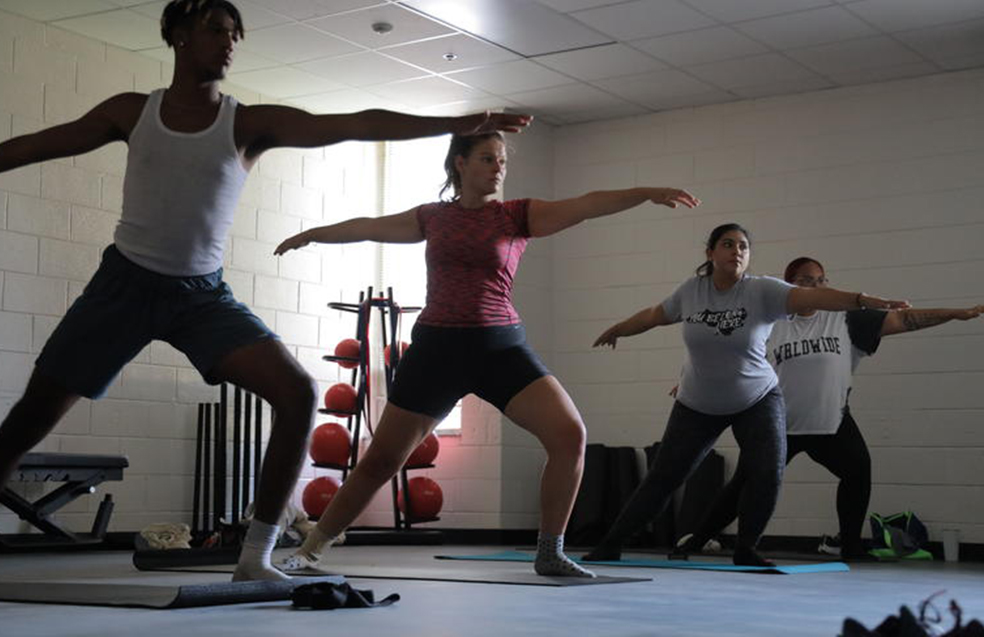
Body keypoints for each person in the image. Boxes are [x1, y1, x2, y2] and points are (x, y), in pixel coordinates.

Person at [0, 0, 532, 583]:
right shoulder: (130, 110)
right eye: (217, 30)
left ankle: (256, 557)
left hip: (201, 297)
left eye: (235, 35)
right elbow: (40, 144)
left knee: (296, 393)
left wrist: (456, 123)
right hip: (123, 286)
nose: (228, 44)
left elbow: (350, 124)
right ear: (180, 36)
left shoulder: (247, 124)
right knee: (30, 417)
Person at [272, 131, 700, 577]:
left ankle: (550, 551)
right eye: (487, 159)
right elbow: (368, 226)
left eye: (501, 161)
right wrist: (315, 234)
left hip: (500, 348)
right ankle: (312, 549)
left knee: (570, 435)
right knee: (382, 459)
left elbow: (588, 203)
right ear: (460, 163)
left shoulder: (517, 216)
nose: (498, 168)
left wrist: (647, 193)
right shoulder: (432, 218)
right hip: (438, 349)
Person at [582, 224, 910, 566]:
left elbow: (814, 297)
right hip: (698, 403)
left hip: (757, 399)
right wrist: (619, 329)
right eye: (727, 244)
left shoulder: (763, 291)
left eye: (743, 246)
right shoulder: (691, 291)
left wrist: (860, 301)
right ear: (710, 253)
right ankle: (612, 544)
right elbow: (655, 315)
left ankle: (746, 549)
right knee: (666, 475)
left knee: (766, 472)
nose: (736, 251)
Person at [672, 256, 983, 561]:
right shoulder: (769, 321)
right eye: (806, 281)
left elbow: (905, 319)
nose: (815, 286)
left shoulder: (845, 319)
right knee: (745, 485)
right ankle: (697, 540)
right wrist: (694, 382)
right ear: (788, 286)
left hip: (831, 421)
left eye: (821, 281)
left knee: (858, 470)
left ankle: (850, 546)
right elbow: (729, 354)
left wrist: (956, 313)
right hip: (778, 423)